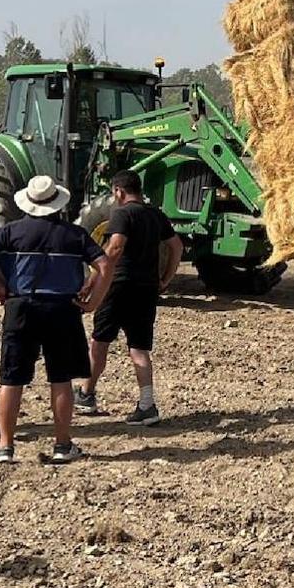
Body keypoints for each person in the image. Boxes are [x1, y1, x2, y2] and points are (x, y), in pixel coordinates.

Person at [0, 175, 109, 464]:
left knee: (11, 379)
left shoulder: (11, 232)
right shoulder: (74, 234)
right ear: (57, 203)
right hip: (62, 309)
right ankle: (62, 444)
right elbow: (104, 265)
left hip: (21, 307)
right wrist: (92, 301)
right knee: (61, 379)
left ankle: (5, 446)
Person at [74, 170, 182, 425]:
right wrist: (165, 278)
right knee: (139, 348)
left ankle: (87, 394)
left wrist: (92, 281)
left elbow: (115, 247)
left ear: (119, 192)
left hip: (119, 286)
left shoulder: (122, 213)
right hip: (147, 288)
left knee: (100, 342)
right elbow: (176, 246)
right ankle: (147, 405)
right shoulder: (156, 215)